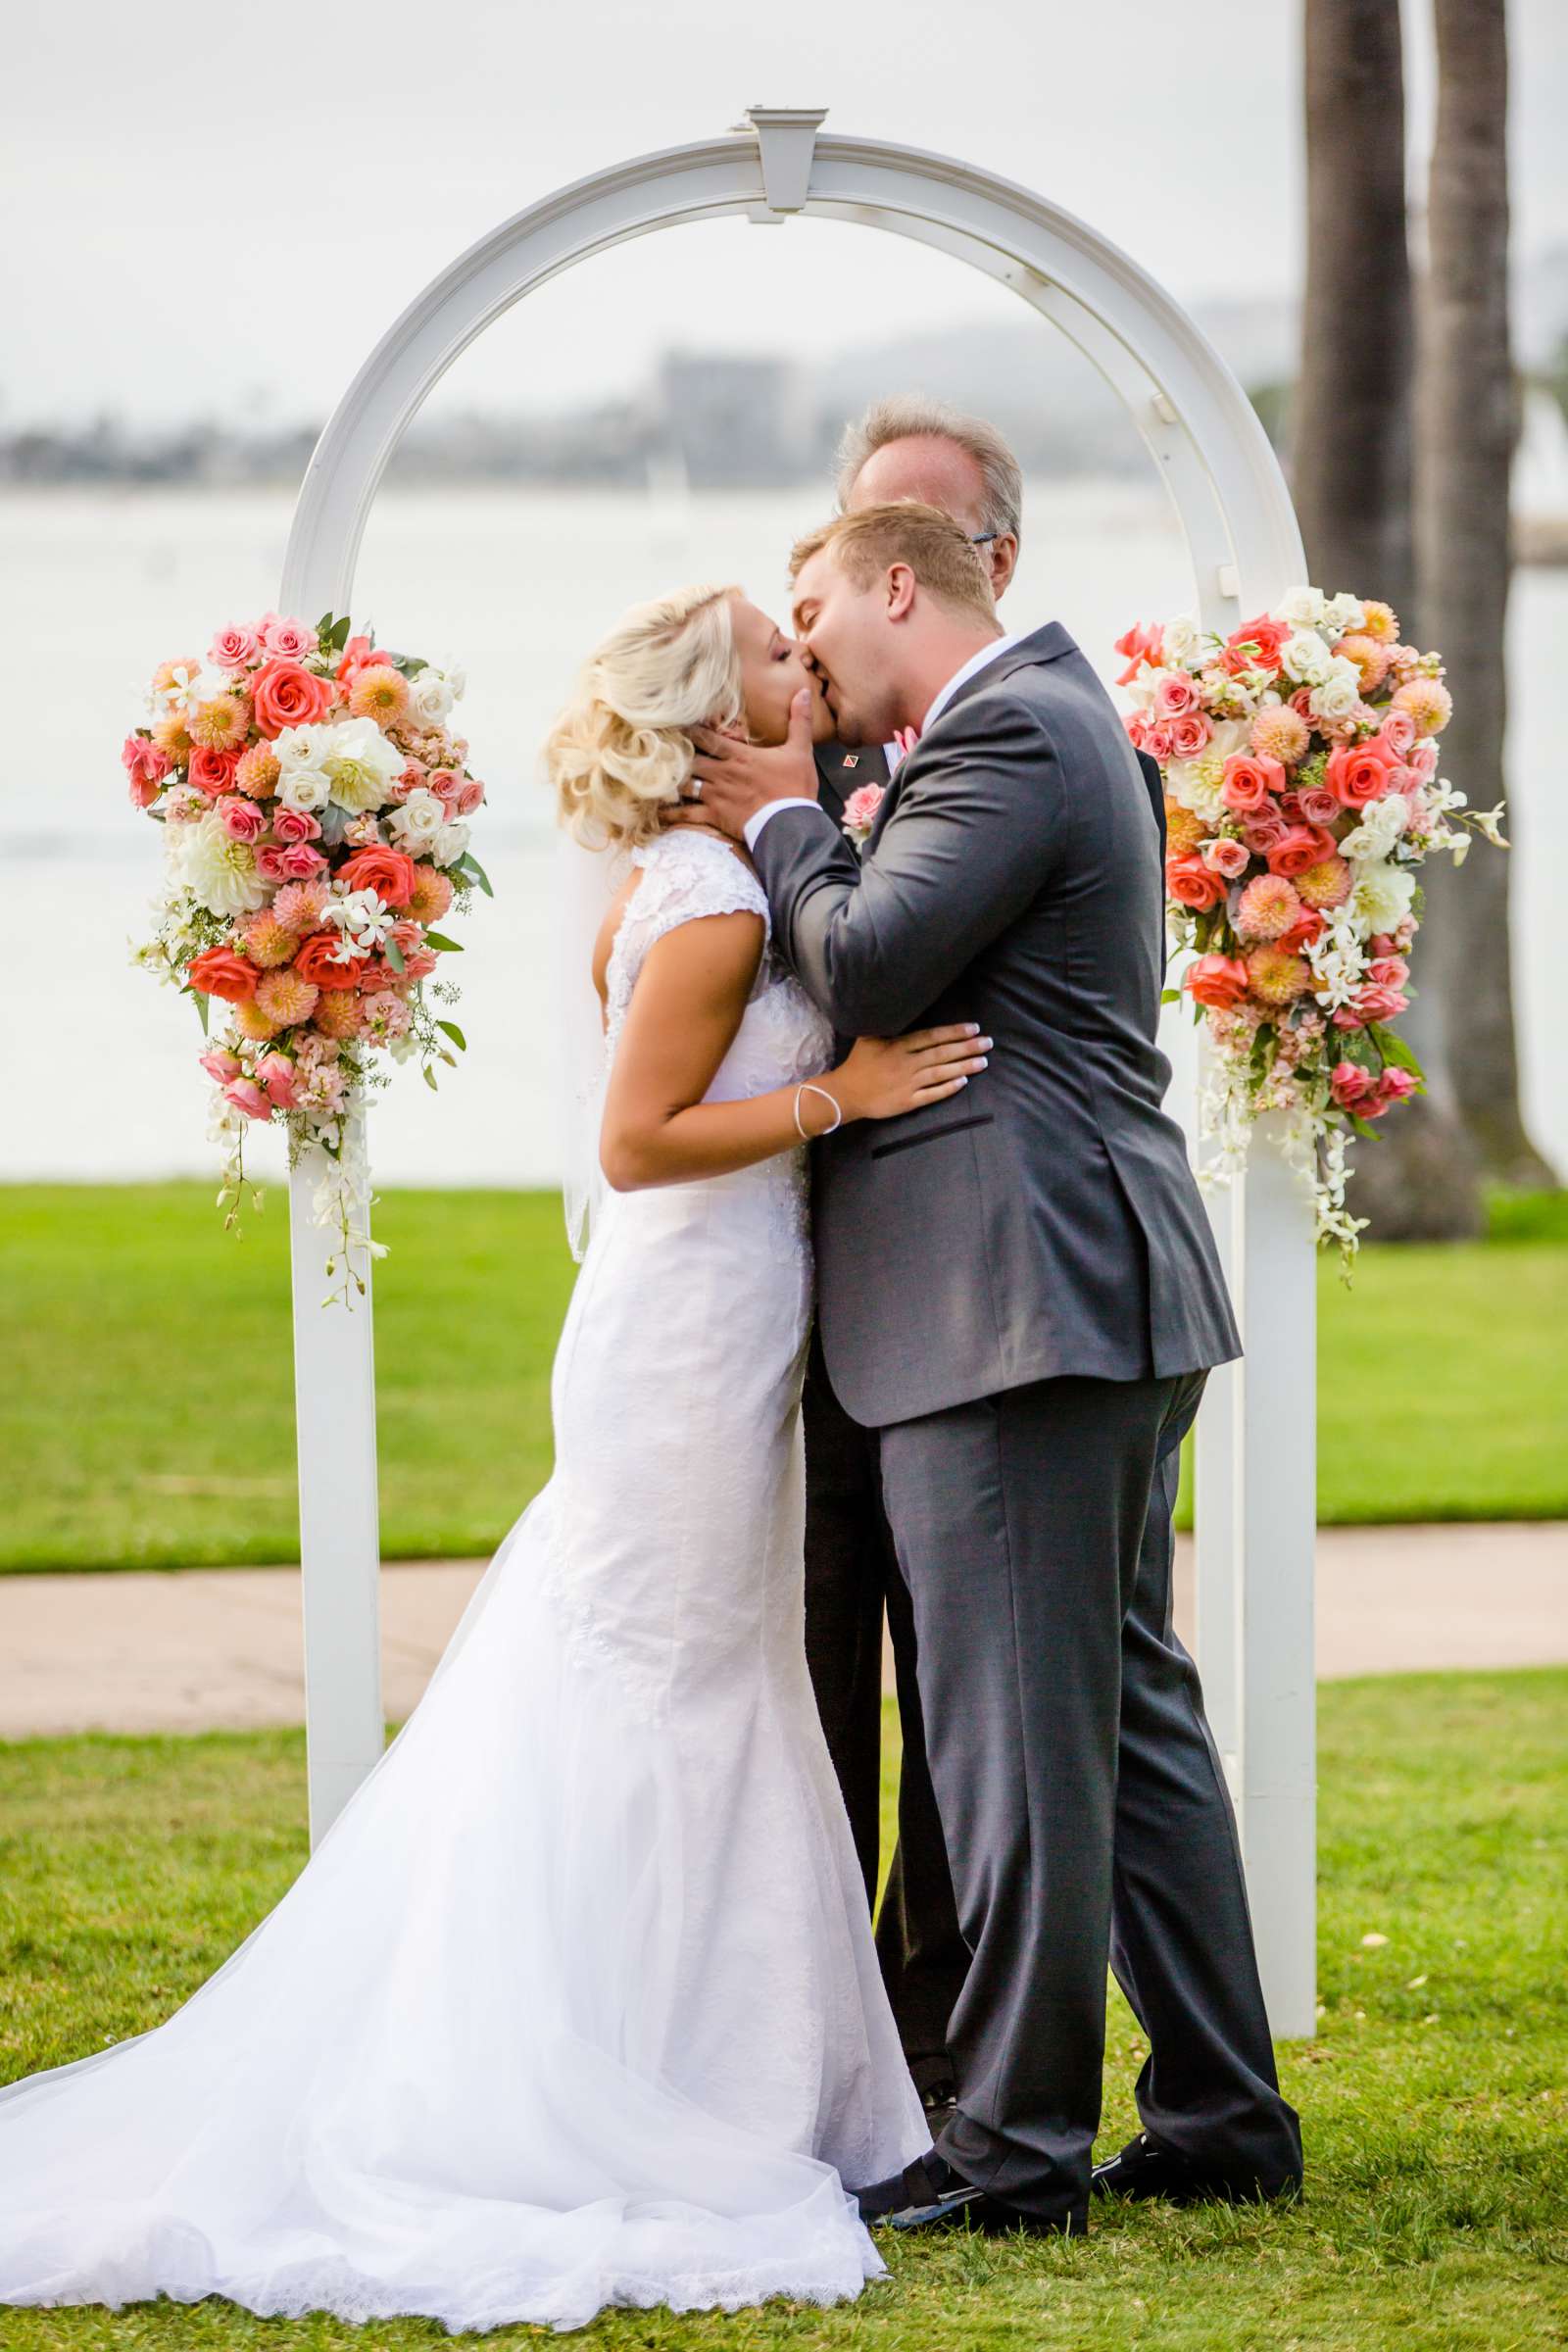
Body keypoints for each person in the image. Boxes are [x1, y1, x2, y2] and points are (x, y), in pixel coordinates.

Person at [0, 585, 990, 2333]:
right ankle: (633, 2081)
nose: (804, 667)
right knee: (670, 1686)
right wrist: (854, 1094)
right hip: (681, 1334)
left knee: (714, 1679)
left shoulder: (743, 877)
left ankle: (724, 2071)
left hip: (728, 1320)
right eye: (778, 653)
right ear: (712, 716)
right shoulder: (699, 905)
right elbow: (637, 1141)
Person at [685, 503, 1305, 2237]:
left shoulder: (1018, 726)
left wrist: (793, 822)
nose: (803, 653)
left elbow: (874, 959)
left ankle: (1015, 2155)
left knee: (1020, 1750)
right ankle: (1219, 2112)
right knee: (1128, 1726)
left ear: (900, 585)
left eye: (814, 610)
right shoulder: (1036, 725)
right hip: (1070, 1290)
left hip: (1016, 1296)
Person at [805, 401, 1021, 2122]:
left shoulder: (1055, 747)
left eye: (928, 530)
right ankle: (811, 2034)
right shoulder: (772, 754)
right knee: (805, 1685)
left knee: (968, 1710)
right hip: (786, 1307)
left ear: (974, 564)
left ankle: (940, 2048)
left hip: (971, 1303)